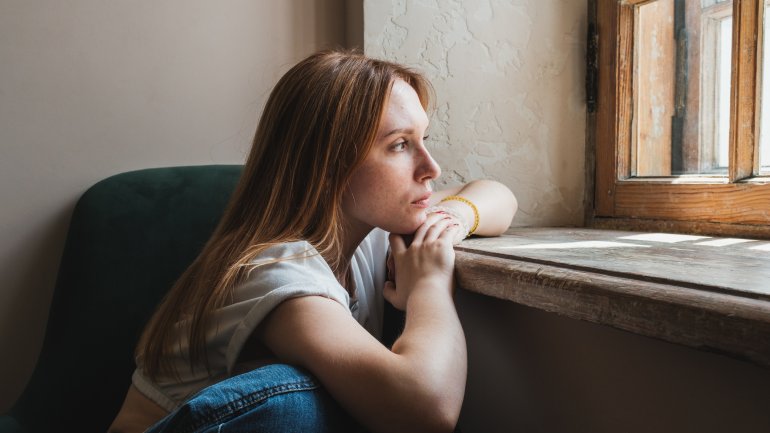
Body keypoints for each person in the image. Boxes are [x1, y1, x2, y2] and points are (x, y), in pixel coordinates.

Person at [109, 49, 517, 433]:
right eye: (399, 145)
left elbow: (497, 194)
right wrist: (429, 284)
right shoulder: (277, 274)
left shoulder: (370, 225)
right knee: (292, 396)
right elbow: (426, 410)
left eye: (423, 138)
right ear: (328, 166)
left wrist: (453, 219)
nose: (432, 167)